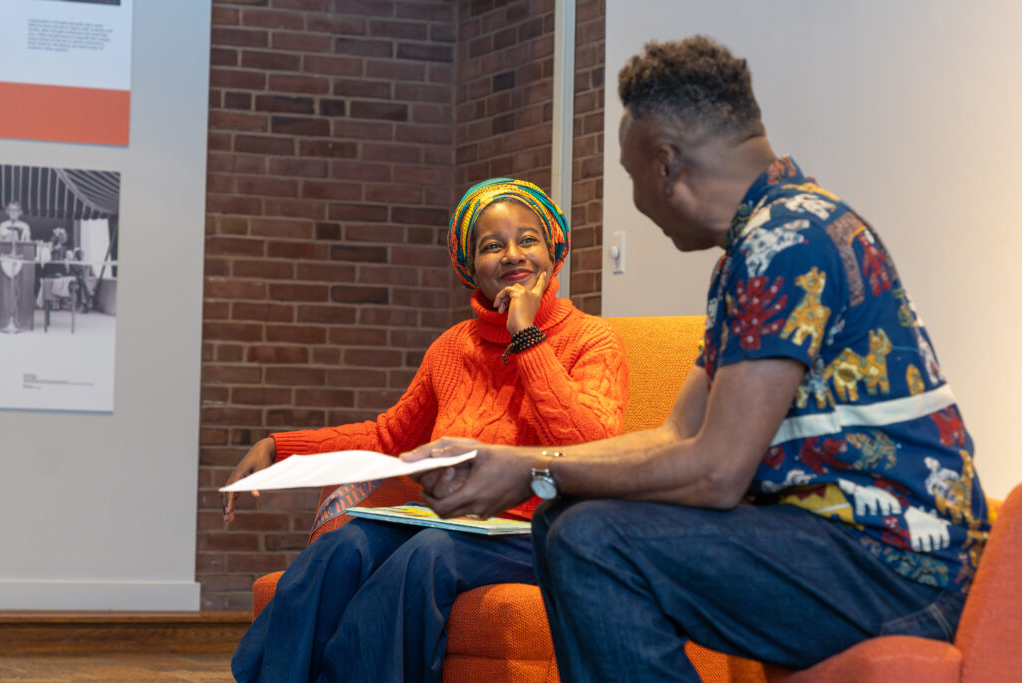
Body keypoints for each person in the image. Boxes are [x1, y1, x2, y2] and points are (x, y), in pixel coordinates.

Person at [405, 36, 991, 681]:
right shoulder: (763, 243)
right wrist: (518, 465)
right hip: (844, 546)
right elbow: (677, 435)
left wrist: (532, 469)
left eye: (630, 177)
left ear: (666, 164)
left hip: (899, 567)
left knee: (589, 539)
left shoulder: (787, 243)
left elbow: (715, 473)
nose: (635, 202)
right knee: (564, 521)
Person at [226, 178, 629, 682]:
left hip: (541, 529)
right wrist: (281, 446)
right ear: (469, 266)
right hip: (452, 520)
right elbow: (387, 437)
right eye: (491, 245)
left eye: (528, 239)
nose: (512, 255)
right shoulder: (451, 348)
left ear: (554, 252)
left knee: (425, 556)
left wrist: (525, 336)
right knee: (343, 547)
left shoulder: (594, 340)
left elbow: (588, 444)